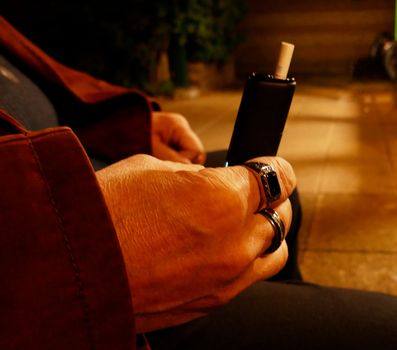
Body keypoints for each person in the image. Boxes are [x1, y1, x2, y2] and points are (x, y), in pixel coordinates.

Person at [0, 15, 396, 350]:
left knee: (283, 198)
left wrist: (131, 129)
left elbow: (51, 93)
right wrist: (83, 257)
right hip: (76, 292)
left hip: (86, 173)